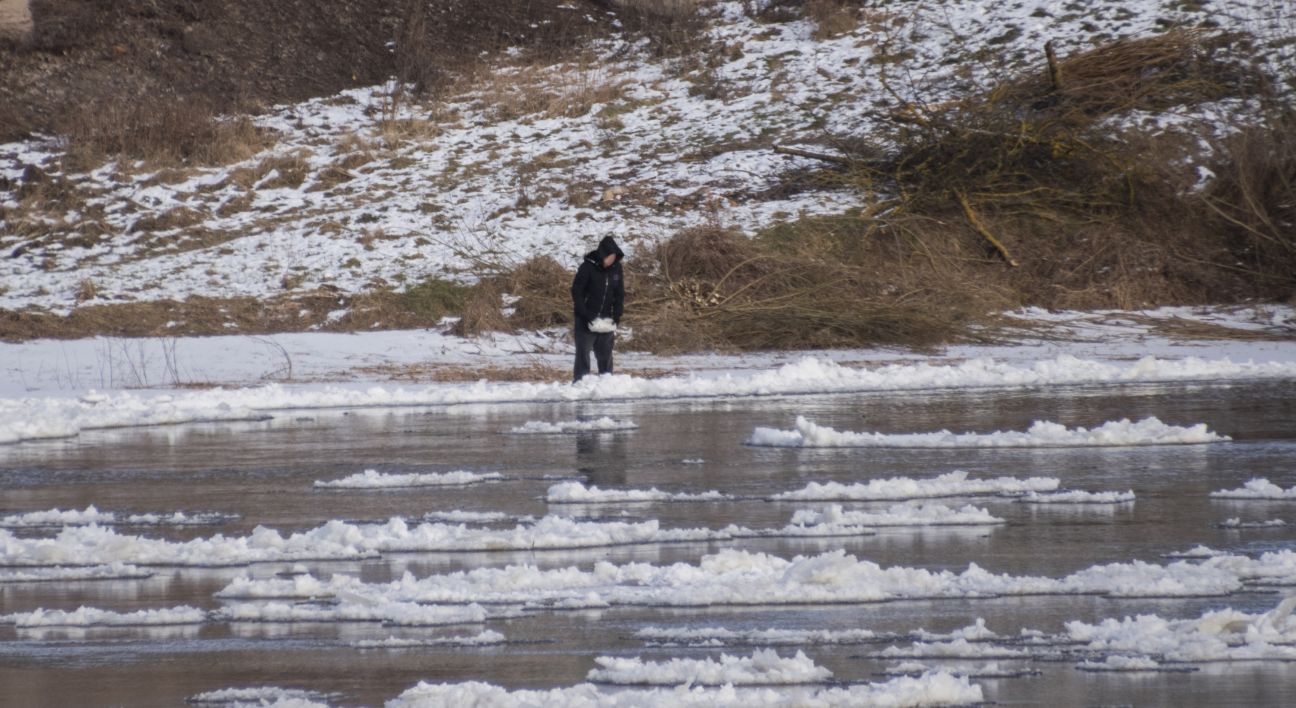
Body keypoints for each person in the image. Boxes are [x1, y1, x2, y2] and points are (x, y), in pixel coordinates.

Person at [571, 235, 625, 382]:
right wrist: (584, 314)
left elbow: (619, 293)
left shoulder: (617, 269)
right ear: (602, 254)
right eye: (609, 257)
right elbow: (577, 292)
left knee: (605, 355)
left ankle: (606, 383)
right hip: (586, 319)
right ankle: (580, 383)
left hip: (606, 319)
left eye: (613, 257)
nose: (611, 260)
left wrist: (617, 314)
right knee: (583, 354)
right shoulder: (587, 267)